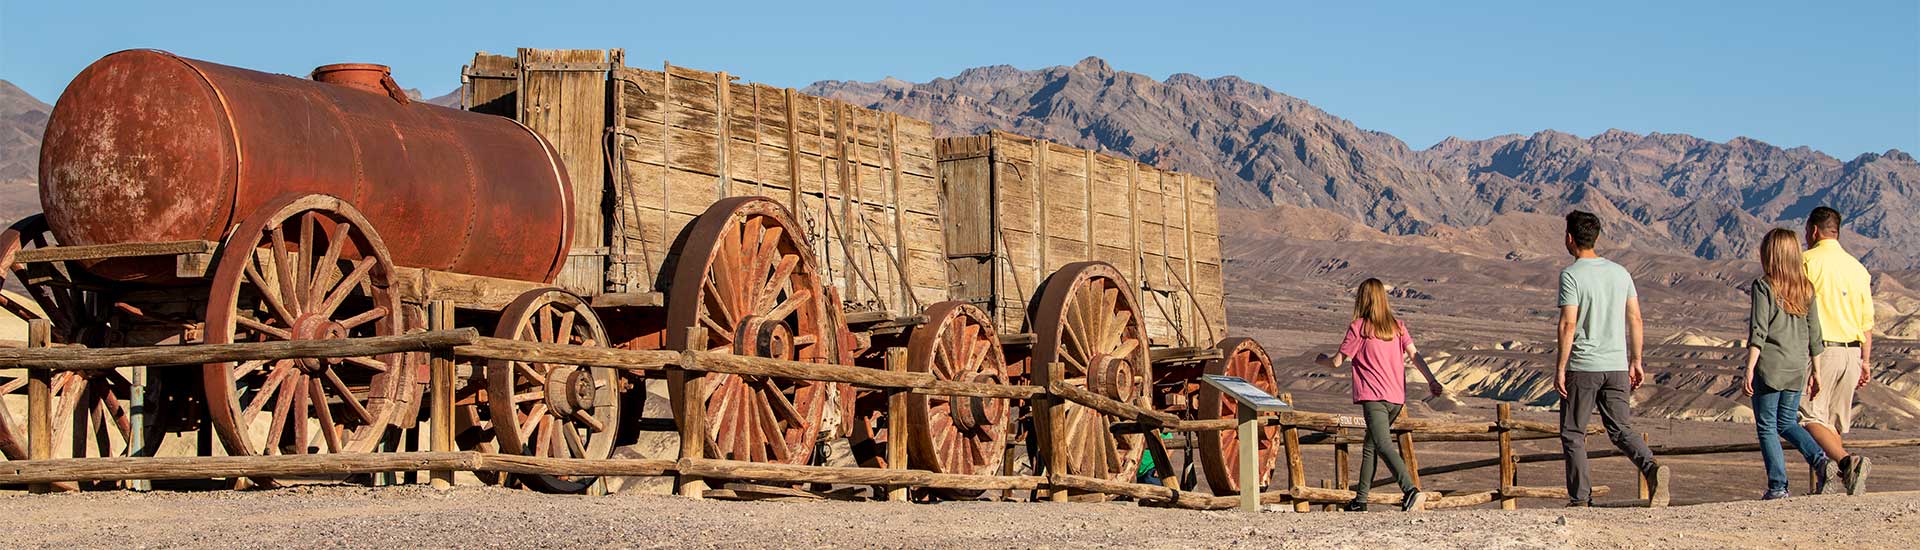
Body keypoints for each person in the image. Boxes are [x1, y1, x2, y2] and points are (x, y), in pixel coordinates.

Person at [1554, 211, 1669, 507]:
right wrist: (1636, 359)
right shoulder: (1621, 273)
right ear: (1597, 237)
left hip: (1584, 366)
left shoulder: (1571, 275)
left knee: (1573, 433)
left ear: (1570, 238)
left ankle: (1580, 499)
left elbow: (1568, 324)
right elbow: (1636, 318)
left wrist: (1560, 367)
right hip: (1617, 365)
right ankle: (1652, 469)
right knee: (1620, 429)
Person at [1315, 278, 1445, 513]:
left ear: (1362, 299)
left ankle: (1411, 491)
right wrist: (1432, 380)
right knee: (1370, 446)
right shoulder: (1397, 327)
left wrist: (1320, 359)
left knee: (1383, 444)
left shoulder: (1359, 327)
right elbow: (1415, 355)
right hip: (1396, 398)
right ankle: (1360, 500)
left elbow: (1336, 362)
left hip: (1374, 397)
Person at [1742, 228, 1831, 499]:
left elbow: (1759, 330)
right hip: (1796, 367)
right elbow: (1815, 333)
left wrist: (1748, 368)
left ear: (1771, 254)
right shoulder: (1806, 288)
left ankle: (1778, 486)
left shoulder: (1764, 285)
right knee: (1788, 422)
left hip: (1770, 367)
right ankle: (1820, 460)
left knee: (1767, 425)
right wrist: (1816, 370)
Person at [1801, 206, 1874, 495]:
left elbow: (1795, 308)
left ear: (1814, 231)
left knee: (1805, 416)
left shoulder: (1806, 262)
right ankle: (1832, 482)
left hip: (1822, 350)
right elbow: (1867, 321)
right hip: (1852, 353)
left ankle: (1846, 462)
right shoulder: (1858, 269)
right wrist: (1865, 361)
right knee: (1831, 420)